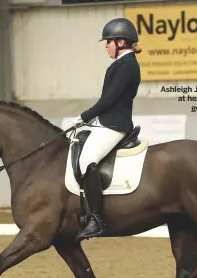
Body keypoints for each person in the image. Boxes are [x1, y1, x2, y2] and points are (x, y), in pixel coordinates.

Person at [73, 17, 142, 241]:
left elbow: (109, 99)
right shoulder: (121, 64)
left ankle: (96, 219)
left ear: (121, 42)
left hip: (115, 125)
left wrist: (85, 116)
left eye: (108, 42)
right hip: (107, 121)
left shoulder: (127, 65)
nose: (106, 46)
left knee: (87, 161)